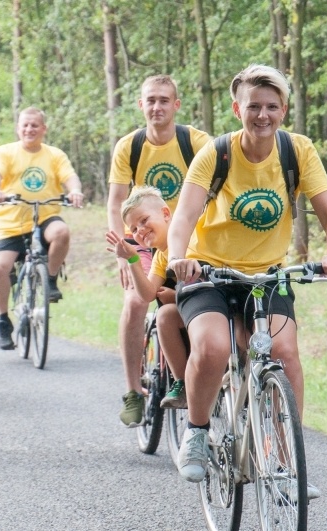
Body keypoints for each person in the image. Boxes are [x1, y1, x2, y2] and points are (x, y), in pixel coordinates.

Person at [167, 64, 327, 485]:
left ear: (284, 109)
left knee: (284, 354)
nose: (262, 115)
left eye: (271, 107)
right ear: (237, 109)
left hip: (267, 276)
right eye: (253, 107)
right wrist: (180, 259)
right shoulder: (217, 153)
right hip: (208, 274)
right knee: (212, 347)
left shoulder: (297, 150)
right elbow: (183, 219)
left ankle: (286, 462)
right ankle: (196, 432)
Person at [107, 75, 210, 427]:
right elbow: (117, 202)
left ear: (176, 105)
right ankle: (134, 391)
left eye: (164, 100)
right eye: (150, 100)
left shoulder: (195, 142)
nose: (157, 106)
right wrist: (126, 251)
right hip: (146, 235)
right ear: (141, 105)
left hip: (192, 237)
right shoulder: (130, 146)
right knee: (136, 300)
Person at [0, 107, 83, 350]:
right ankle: (2, 319)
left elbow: (70, 176)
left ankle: (49, 279)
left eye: (34, 125)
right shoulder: (5, 152)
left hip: (45, 216)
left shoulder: (54, 155)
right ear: (18, 128)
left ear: (43, 129)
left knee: (61, 232)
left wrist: (74, 191)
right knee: (0, 267)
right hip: (11, 222)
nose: (29, 129)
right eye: (25, 125)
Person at [105, 186, 188, 409]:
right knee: (164, 315)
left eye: (143, 220)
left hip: (209, 306)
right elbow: (148, 293)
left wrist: (177, 296)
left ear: (166, 214)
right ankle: (183, 384)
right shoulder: (161, 256)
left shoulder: (191, 239)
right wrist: (132, 260)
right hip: (189, 313)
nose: (140, 230)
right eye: (134, 229)